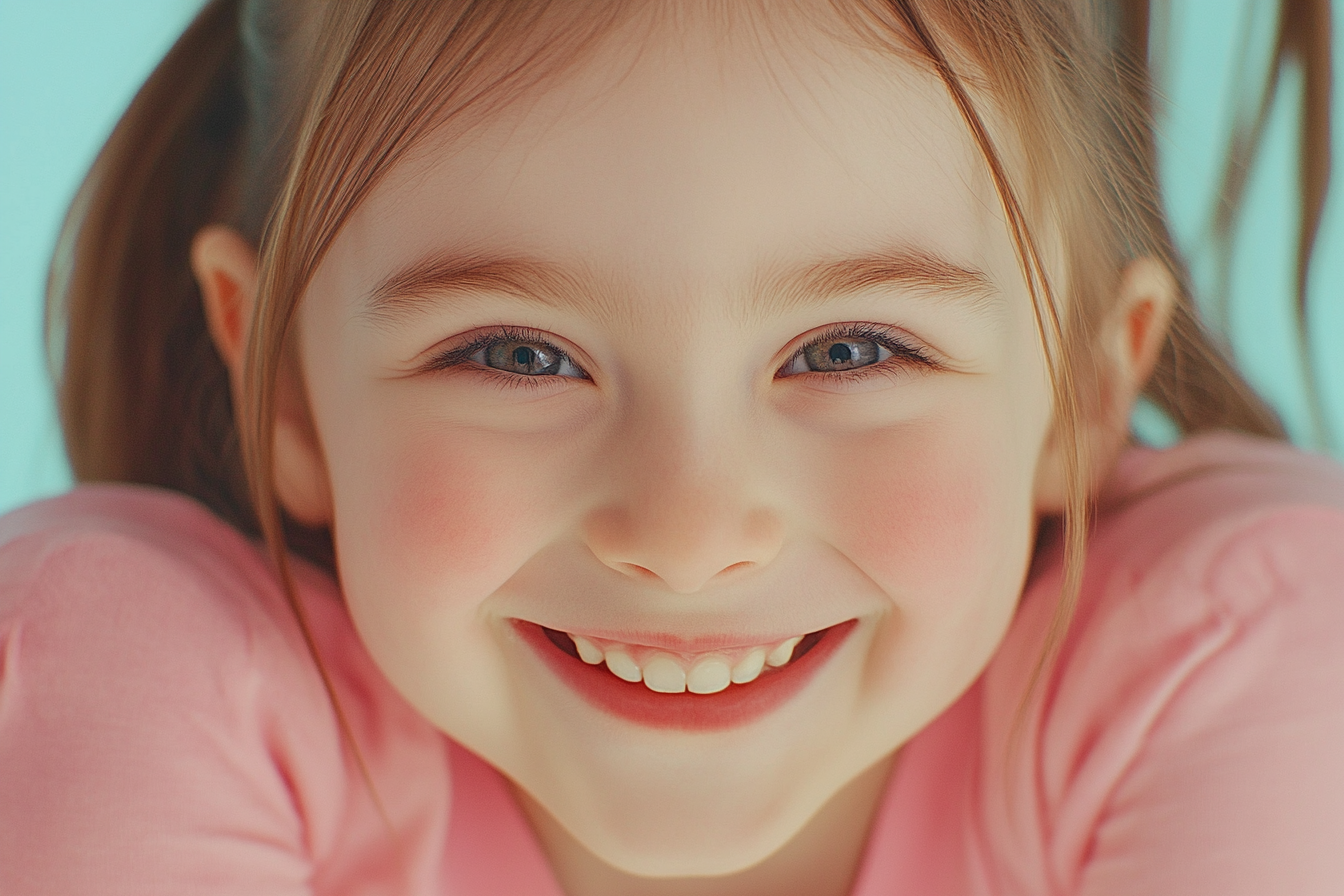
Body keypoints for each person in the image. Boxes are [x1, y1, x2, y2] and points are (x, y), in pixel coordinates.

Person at [1, 0, 1341, 893]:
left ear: (1086, 391)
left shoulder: (1255, 653)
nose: (689, 533)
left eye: (850, 351)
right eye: (516, 355)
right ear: (283, 388)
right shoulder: (128, 681)